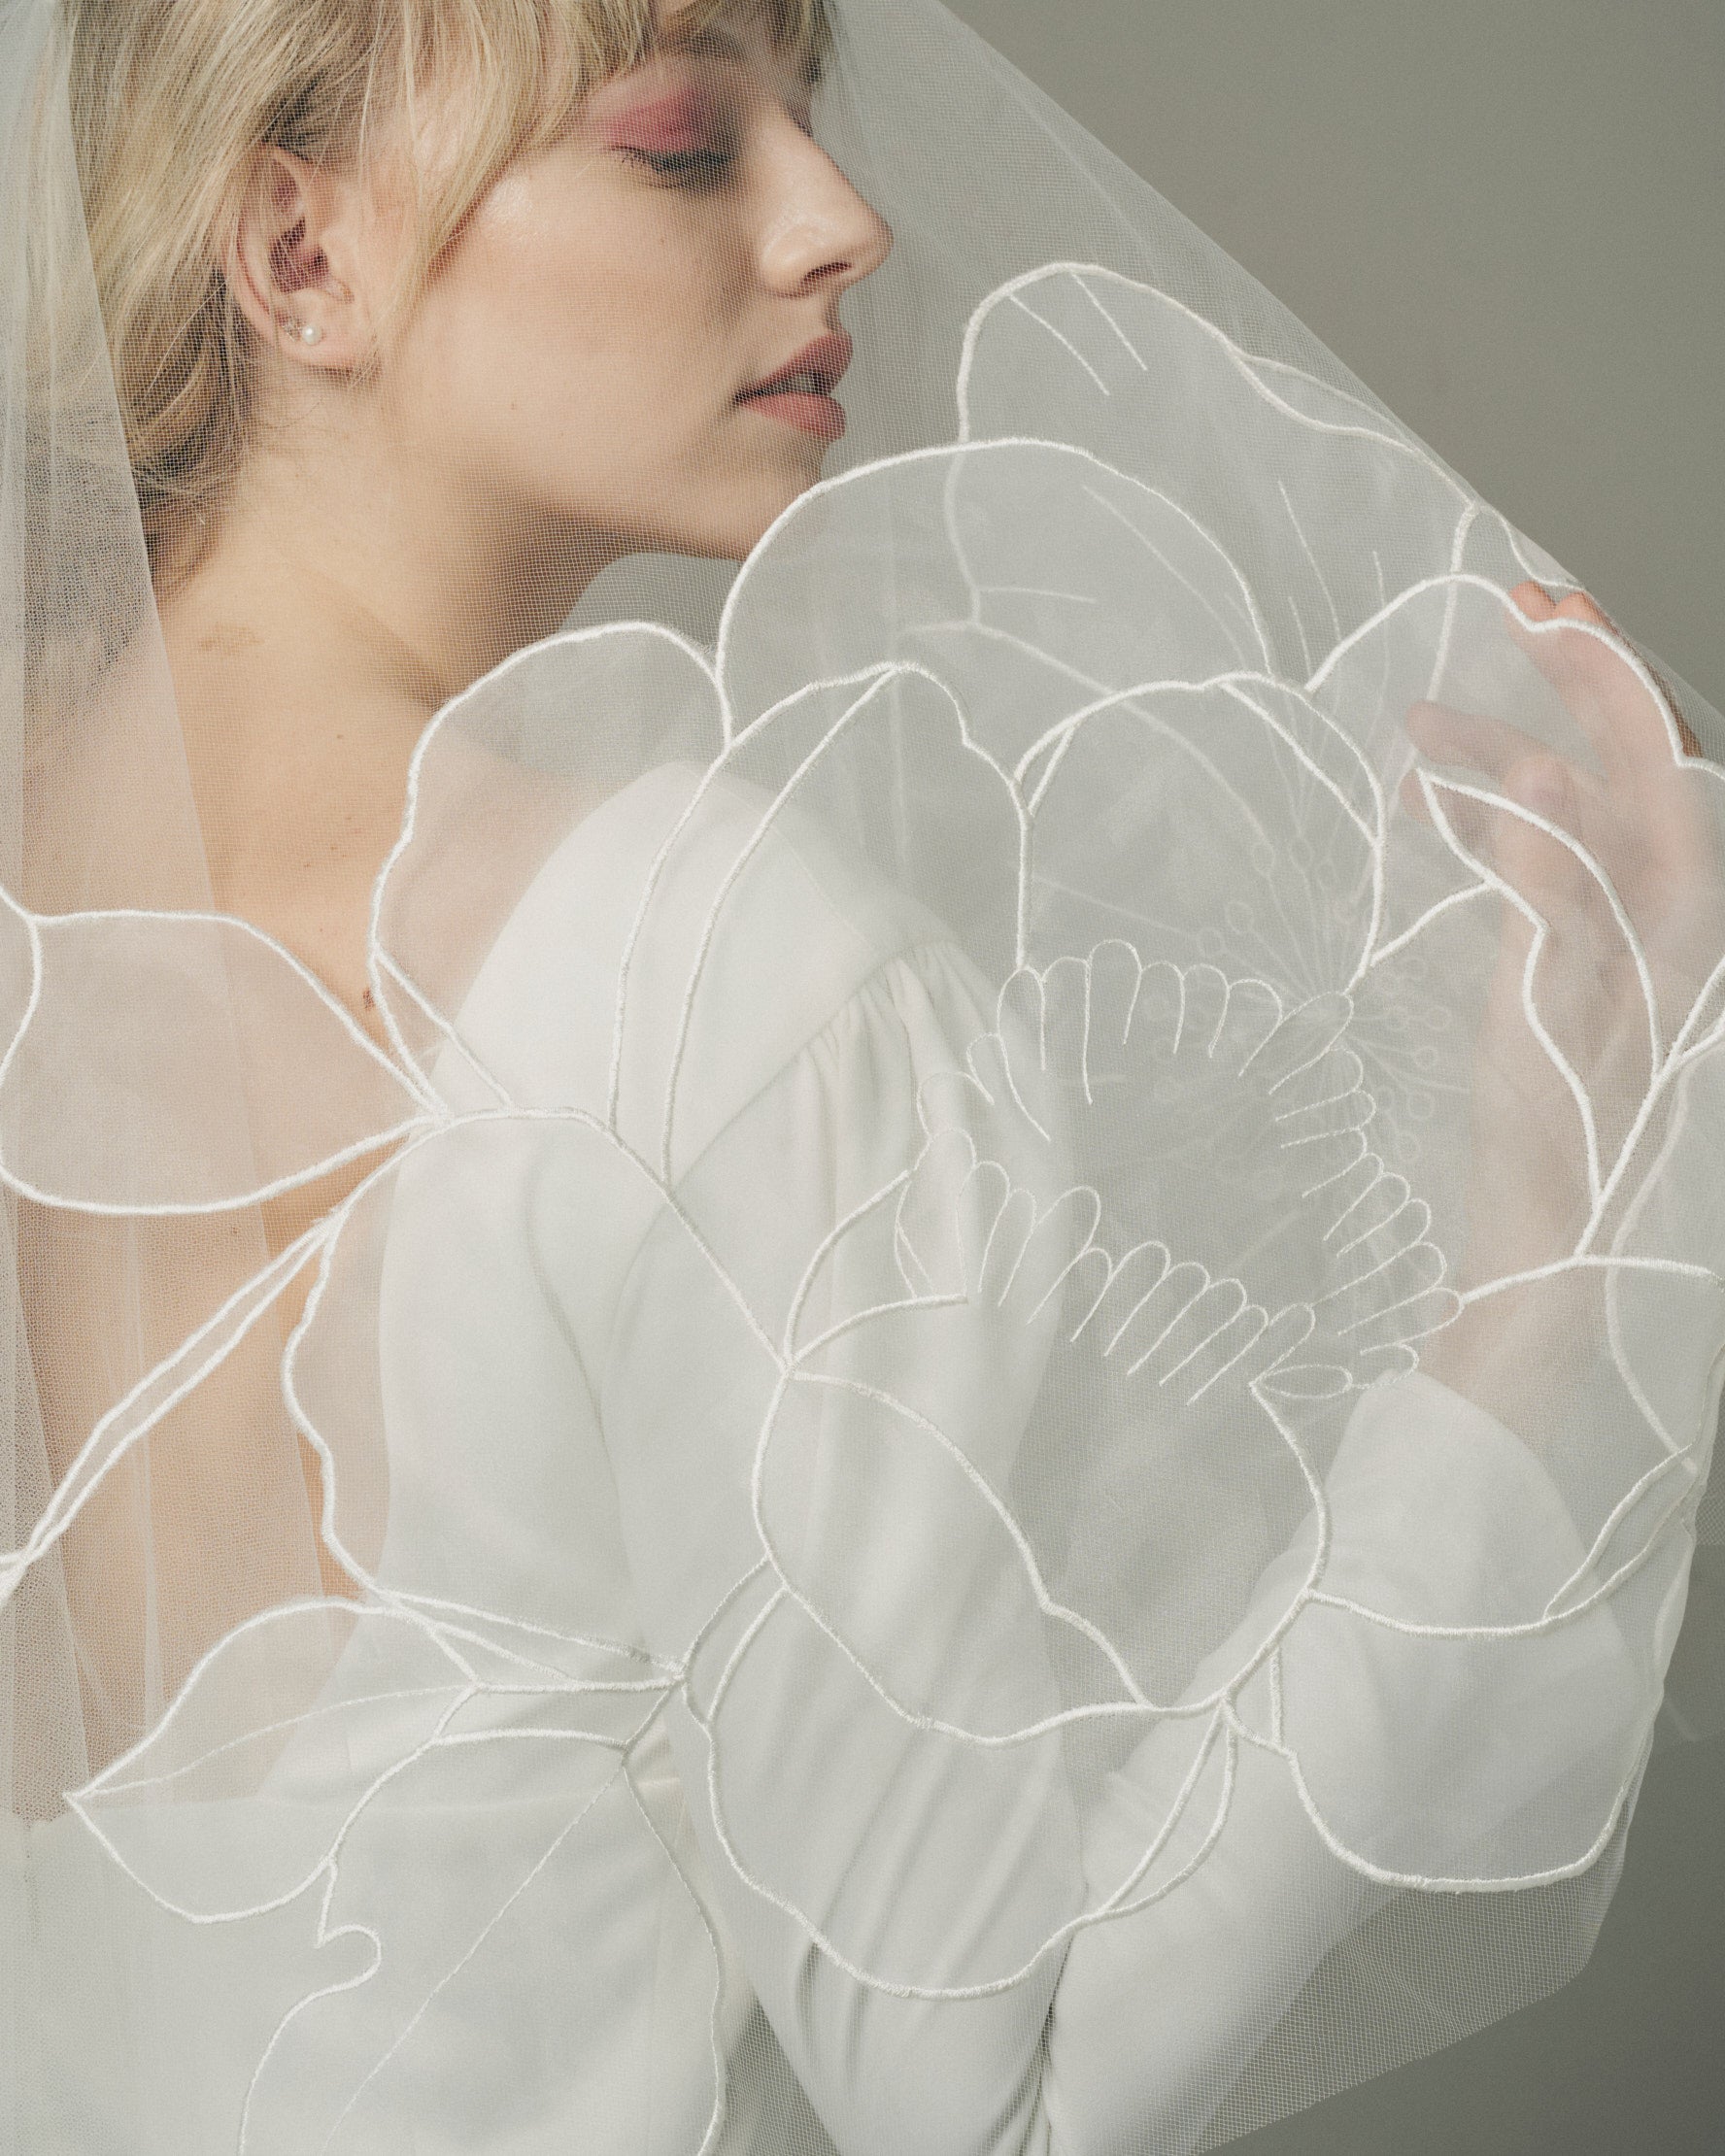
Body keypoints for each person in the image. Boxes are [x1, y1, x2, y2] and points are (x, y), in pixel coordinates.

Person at [2, 0, 1720, 2149]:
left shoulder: (32, 838)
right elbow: (997, 2111)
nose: (845, 220)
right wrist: (1533, 1304)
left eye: (805, 112)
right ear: (301, 251)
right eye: (683, 140)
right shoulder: (708, 973)